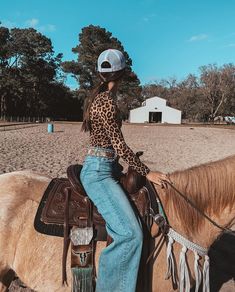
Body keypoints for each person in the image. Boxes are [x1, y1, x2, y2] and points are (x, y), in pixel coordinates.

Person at [80, 49, 169, 292]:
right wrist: (146, 171)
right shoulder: (107, 102)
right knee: (131, 234)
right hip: (99, 172)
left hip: (105, 166)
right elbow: (119, 145)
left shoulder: (98, 98)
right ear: (122, 75)